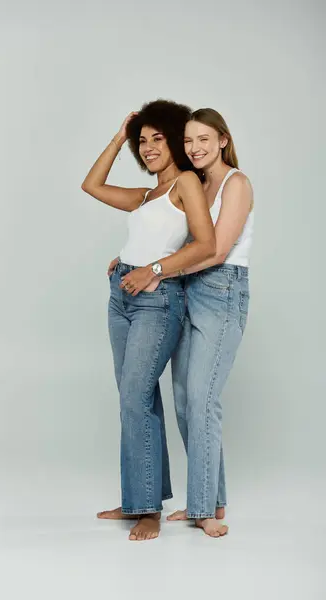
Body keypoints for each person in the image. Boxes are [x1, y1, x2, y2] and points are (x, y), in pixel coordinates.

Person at [105, 108, 254, 538]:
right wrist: (136, 259)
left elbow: (215, 251)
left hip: (221, 290)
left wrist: (152, 268)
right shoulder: (197, 184)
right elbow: (183, 239)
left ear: (223, 140)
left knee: (202, 400)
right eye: (189, 141)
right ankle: (216, 500)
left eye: (204, 139)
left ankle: (203, 510)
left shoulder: (235, 183)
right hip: (187, 289)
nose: (196, 148)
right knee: (187, 399)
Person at [82, 100, 216, 541]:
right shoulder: (145, 196)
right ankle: (141, 495)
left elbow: (205, 244)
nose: (148, 147)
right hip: (121, 294)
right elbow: (91, 184)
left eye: (158, 138)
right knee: (135, 397)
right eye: (143, 141)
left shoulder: (185, 184)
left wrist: (152, 269)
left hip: (157, 301)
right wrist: (122, 135)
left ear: (177, 139)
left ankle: (147, 511)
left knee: (134, 398)